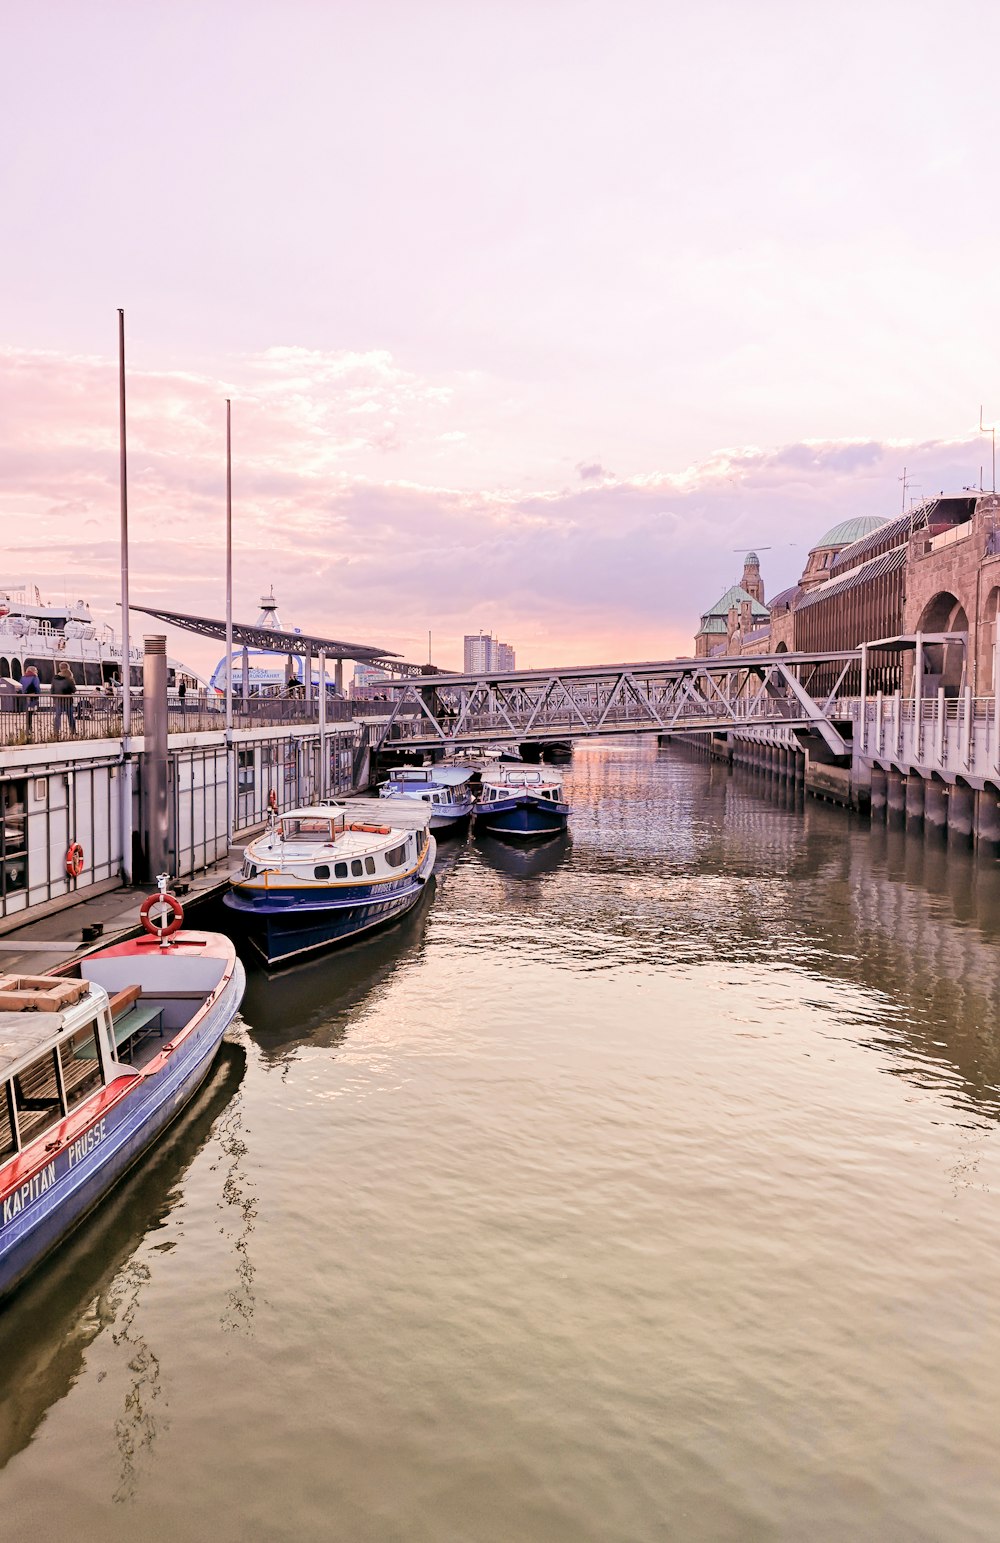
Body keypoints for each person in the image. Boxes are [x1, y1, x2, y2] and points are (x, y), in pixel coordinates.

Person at [52, 661, 77, 736]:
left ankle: (56, 732)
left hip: (58, 700)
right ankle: (73, 731)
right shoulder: (69, 677)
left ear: (60, 668)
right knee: (70, 717)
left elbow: (52, 690)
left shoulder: (55, 678)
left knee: (57, 717)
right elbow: (73, 690)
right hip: (68, 700)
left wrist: (54, 699)